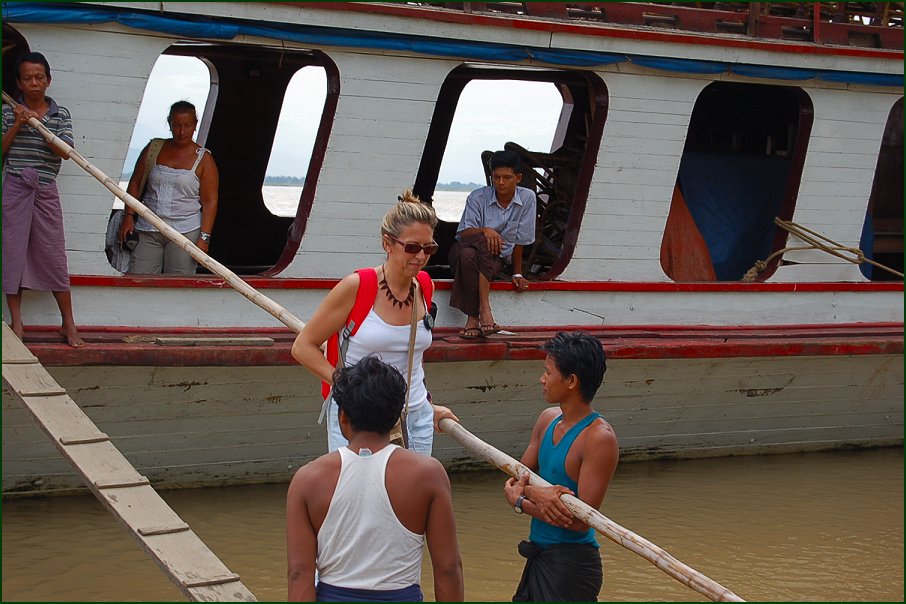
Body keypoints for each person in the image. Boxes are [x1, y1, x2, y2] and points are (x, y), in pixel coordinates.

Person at [292, 191, 457, 455]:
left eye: (429, 249)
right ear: (387, 243)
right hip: (360, 419)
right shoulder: (357, 287)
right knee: (359, 483)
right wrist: (345, 384)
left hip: (415, 417)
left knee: (414, 484)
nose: (421, 256)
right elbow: (303, 347)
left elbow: (412, 357)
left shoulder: (425, 286)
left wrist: (427, 404)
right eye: (412, 247)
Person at [286, 356, 464, 602]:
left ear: (343, 417)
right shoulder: (428, 474)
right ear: (396, 417)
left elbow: (299, 574)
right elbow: (448, 568)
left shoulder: (307, 479)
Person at [503, 331, 619, 602]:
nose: (542, 379)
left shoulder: (598, 438)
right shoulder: (547, 420)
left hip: (572, 565)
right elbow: (516, 479)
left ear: (572, 381)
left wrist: (521, 502)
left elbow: (580, 522)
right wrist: (533, 493)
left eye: (548, 372)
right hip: (539, 555)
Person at [2, 52, 84, 348]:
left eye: (39, 77)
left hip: (45, 189)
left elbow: (66, 152)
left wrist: (41, 125)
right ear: (19, 83)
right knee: (12, 254)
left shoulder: (60, 114)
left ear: (48, 80)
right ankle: (17, 323)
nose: (34, 83)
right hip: (15, 188)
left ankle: (68, 324)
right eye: (28, 78)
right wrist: (18, 122)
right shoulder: (8, 111)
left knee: (53, 255)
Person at [117, 100, 219, 274]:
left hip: (185, 232)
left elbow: (210, 202)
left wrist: (204, 237)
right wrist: (128, 216)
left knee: (178, 283)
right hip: (148, 227)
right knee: (139, 279)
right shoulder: (154, 148)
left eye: (187, 125)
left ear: (195, 125)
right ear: (169, 123)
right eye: (177, 125)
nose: (182, 131)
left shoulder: (204, 159)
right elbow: (135, 182)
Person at [449, 149, 536, 339]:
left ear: (518, 178)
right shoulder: (477, 197)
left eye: (507, 177)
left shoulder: (527, 198)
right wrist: (485, 230)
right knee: (474, 247)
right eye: (496, 177)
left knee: (469, 256)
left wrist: (517, 273)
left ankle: (473, 319)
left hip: (491, 259)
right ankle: (484, 310)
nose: (501, 182)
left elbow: (520, 240)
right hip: (463, 249)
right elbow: (463, 233)